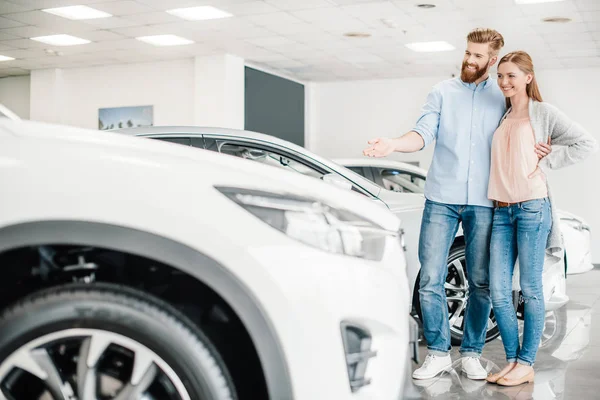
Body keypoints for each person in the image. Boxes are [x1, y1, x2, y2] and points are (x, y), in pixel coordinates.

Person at [363, 28, 528, 380]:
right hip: (441, 199)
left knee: (481, 282)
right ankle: (437, 352)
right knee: (430, 279)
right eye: (468, 52)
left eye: (478, 56)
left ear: (493, 59)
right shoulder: (442, 92)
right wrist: (393, 144)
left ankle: (471, 352)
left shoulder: (502, 96)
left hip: (485, 201)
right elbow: (421, 134)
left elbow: (523, 130)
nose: (469, 59)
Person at [485, 51, 597, 386]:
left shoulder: (542, 113)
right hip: (501, 210)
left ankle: (527, 362)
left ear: (528, 78)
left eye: (511, 76)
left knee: (531, 289)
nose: (504, 82)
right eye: (501, 76)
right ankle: (512, 360)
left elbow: (586, 143)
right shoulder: (501, 116)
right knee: (499, 290)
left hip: (532, 207)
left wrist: (551, 159)